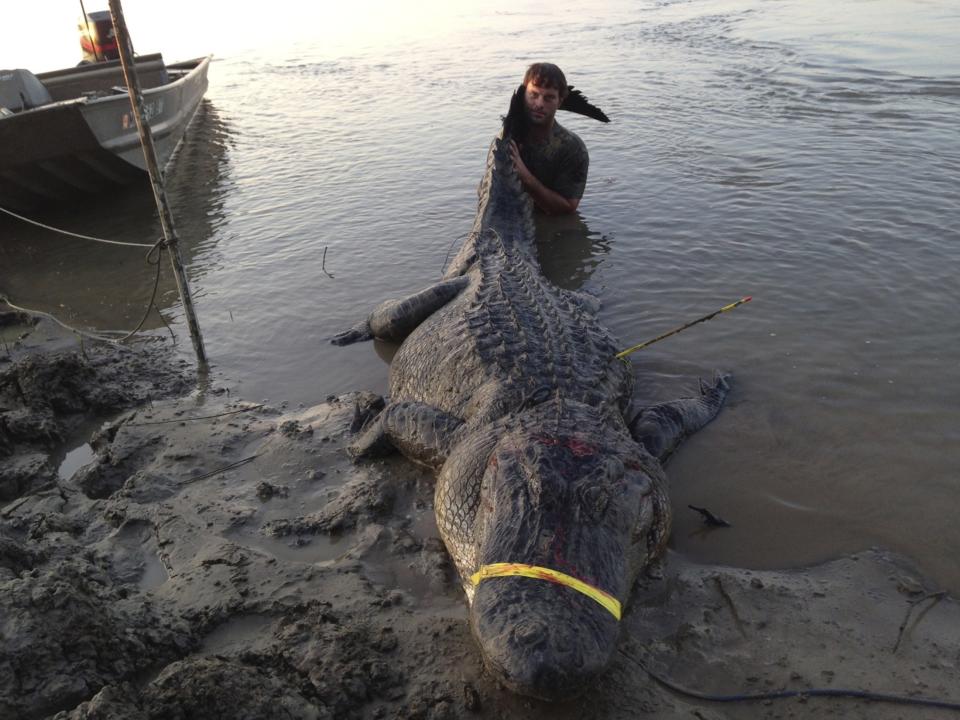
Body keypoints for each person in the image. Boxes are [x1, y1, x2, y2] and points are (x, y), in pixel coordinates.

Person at [508, 63, 589, 216]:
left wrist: (526, 178)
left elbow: (568, 208)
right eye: (534, 95)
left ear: (560, 101)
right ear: (524, 94)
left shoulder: (573, 148)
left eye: (548, 98)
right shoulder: (507, 140)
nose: (539, 104)